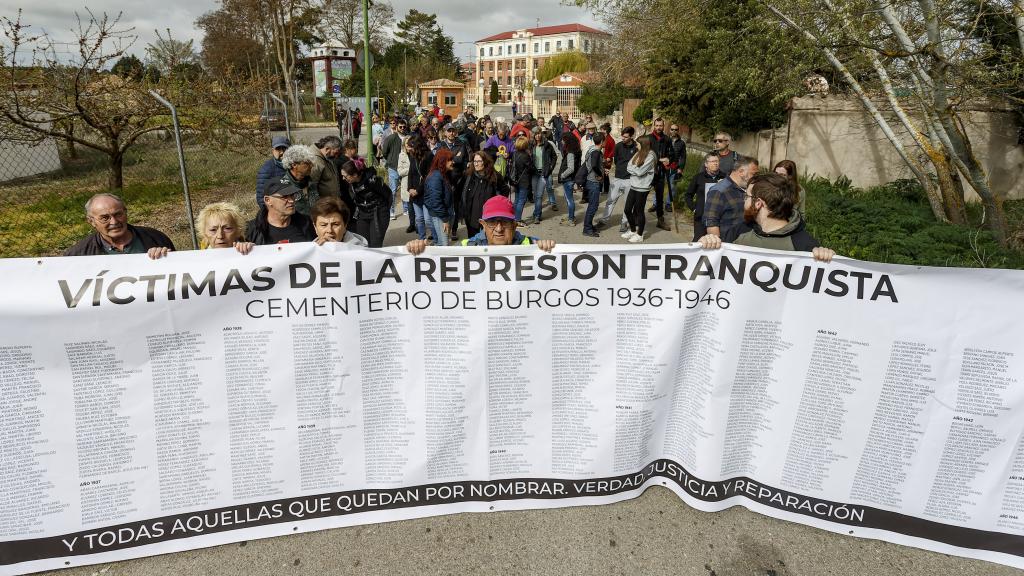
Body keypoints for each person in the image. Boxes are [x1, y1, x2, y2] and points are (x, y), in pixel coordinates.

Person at [698, 173, 834, 262]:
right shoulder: (739, 231)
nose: (744, 201)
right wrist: (706, 244)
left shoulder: (805, 245)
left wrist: (826, 258)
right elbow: (713, 264)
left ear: (758, 203)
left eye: (747, 196)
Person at [406, 195, 556, 253]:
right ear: (482, 224)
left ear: (515, 225)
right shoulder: (468, 247)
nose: (498, 229)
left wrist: (548, 248)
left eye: (504, 222)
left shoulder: (531, 246)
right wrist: (422, 251)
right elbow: (441, 260)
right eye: (492, 222)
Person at [65, 193, 175, 258]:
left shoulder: (155, 238)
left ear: (125, 212)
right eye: (105, 218)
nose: (114, 222)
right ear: (91, 221)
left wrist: (165, 258)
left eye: (118, 214)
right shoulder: (78, 255)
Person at [704, 155, 759, 238]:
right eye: (753, 174)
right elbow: (711, 223)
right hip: (730, 246)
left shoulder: (749, 189)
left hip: (747, 244)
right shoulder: (719, 191)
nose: (755, 178)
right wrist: (718, 248)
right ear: (741, 172)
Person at [246, 180, 316, 245]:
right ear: (268, 200)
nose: (291, 201)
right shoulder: (251, 230)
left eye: (292, 195)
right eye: (284, 197)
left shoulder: (307, 223)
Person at [340, 160, 392, 248]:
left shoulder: (373, 181)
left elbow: (388, 195)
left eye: (345, 176)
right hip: (362, 214)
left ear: (355, 175)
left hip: (378, 214)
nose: (343, 179)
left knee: (375, 245)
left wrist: (383, 210)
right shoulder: (351, 184)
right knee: (362, 243)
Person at [596, 126, 638, 232]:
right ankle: (604, 220)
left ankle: (624, 223)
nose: (623, 138)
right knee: (610, 200)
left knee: (628, 204)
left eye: (625, 137)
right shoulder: (618, 146)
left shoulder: (637, 148)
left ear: (631, 136)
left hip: (630, 180)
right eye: (622, 136)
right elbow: (616, 160)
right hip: (618, 178)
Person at [461, 151, 507, 239]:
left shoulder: (495, 176)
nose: (476, 164)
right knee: (473, 241)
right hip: (472, 217)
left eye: (479, 161)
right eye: (474, 161)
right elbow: (463, 193)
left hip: (489, 217)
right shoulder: (469, 175)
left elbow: (504, 190)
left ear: (485, 162)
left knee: (488, 242)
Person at [622, 134, 657, 243]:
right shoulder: (638, 153)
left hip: (643, 188)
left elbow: (640, 172)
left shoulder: (651, 156)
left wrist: (634, 170)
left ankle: (640, 234)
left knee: (639, 211)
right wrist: (635, 170)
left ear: (643, 144)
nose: (636, 145)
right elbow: (628, 166)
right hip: (634, 185)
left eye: (637, 143)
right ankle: (632, 230)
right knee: (627, 209)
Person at [685, 153, 727, 241]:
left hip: (718, 217)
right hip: (701, 216)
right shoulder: (698, 177)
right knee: (698, 241)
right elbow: (688, 195)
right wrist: (694, 208)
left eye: (717, 161)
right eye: (712, 161)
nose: (715, 163)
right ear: (706, 164)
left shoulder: (725, 178)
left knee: (716, 241)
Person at [441, 123, 471, 241]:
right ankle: (444, 228)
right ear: (445, 133)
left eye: (453, 131)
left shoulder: (461, 144)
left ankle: (454, 229)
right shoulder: (442, 145)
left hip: (458, 180)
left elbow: (461, 160)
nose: (451, 133)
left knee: (456, 206)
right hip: (445, 179)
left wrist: (451, 159)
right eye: (449, 131)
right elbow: (442, 161)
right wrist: (455, 157)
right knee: (446, 204)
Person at [423, 148, 455, 246]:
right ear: (442, 161)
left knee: (443, 243)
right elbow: (435, 201)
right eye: (450, 160)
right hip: (440, 216)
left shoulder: (443, 174)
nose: (453, 162)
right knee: (443, 244)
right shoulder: (436, 177)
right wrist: (445, 219)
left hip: (443, 214)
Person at [647, 118, 674, 231]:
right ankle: (637, 218)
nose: (658, 127)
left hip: (661, 173)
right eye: (657, 125)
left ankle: (660, 220)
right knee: (641, 196)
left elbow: (672, 154)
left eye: (660, 126)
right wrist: (659, 160)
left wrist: (668, 159)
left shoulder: (667, 139)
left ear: (663, 126)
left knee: (659, 198)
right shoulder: (648, 138)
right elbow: (644, 155)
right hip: (648, 173)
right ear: (654, 126)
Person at [405, 134, 434, 241]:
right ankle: (422, 239)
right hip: (415, 194)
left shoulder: (429, 156)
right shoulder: (413, 156)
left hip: (425, 193)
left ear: (416, 146)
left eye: (410, 147)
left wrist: (418, 190)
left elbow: (428, 176)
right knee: (419, 219)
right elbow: (410, 173)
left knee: (428, 220)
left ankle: (436, 239)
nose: (408, 149)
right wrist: (410, 188)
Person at [380, 118, 408, 219]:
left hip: (405, 167)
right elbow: (384, 152)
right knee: (393, 190)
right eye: (400, 126)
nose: (402, 128)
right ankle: (391, 211)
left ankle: (406, 209)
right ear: (397, 127)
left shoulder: (407, 137)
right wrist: (390, 160)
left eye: (404, 127)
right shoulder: (391, 138)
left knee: (405, 189)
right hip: (393, 167)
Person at [308, 135, 344, 211]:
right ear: (327, 149)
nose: (337, 156)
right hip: (324, 205)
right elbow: (312, 187)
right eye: (335, 153)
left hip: (331, 202)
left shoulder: (327, 157)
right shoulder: (316, 161)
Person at [581, 131, 606, 237]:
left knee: (592, 205)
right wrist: (600, 174)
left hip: (591, 181)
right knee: (593, 206)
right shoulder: (595, 152)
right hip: (593, 182)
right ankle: (587, 229)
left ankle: (589, 226)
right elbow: (594, 165)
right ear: (602, 141)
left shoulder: (592, 150)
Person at [280, 144, 317, 215]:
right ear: (294, 165)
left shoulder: (311, 182)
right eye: (307, 163)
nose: (311, 166)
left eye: (311, 163)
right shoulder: (284, 186)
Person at [255, 136, 289, 209]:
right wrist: (270, 213)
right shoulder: (267, 170)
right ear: (273, 150)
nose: (282, 152)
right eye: (278, 149)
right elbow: (261, 197)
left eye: (284, 148)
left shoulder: (293, 165)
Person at [530, 129, 557, 219]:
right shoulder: (531, 145)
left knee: (539, 195)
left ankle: (537, 215)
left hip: (544, 172)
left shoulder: (547, 145)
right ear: (533, 135)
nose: (537, 136)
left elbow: (554, 156)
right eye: (535, 134)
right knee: (536, 195)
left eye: (539, 134)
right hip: (534, 173)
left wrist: (551, 167)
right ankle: (536, 212)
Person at [509, 136, 536, 225]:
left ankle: (514, 218)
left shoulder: (514, 154)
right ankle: (517, 220)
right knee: (521, 200)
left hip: (515, 180)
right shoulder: (525, 156)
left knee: (517, 200)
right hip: (524, 181)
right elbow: (531, 168)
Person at [557, 132, 581, 226]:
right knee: (569, 198)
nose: (562, 142)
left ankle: (571, 220)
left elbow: (571, 168)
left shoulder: (570, 153)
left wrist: (562, 175)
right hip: (570, 179)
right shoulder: (576, 150)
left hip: (568, 179)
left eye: (563, 140)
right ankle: (571, 216)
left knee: (569, 199)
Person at [668, 123, 687, 211]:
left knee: (672, 186)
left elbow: (683, 157)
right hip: (663, 166)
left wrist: (680, 168)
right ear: (669, 130)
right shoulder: (665, 139)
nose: (674, 131)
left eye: (676, 129)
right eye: (672, 129)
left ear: (678, 131)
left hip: (674, 167)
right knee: (658, 186)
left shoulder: (681, 143)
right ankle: (655, 203)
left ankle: (668, 204)